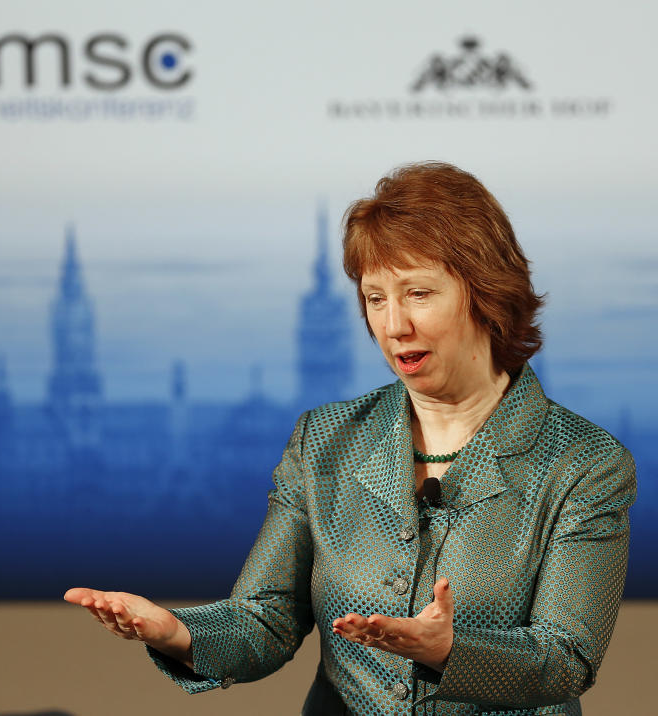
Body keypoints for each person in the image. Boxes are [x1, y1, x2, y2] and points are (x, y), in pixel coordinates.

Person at [64, 162, 636, 715]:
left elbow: (565, 659)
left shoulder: (584, 463)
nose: (393, 326)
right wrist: (179, 633)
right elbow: (265, 619)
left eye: (417, 293)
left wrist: (448, 652)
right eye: (375, 298)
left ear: (484, 292)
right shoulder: (325, 441)